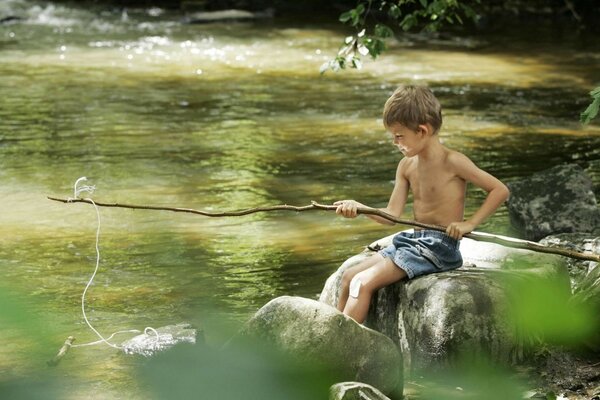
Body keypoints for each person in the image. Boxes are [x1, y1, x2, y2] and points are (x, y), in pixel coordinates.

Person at [334, 84, 510, 324]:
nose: (395, 142)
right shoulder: (407, 166)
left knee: (361, 283)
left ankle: (341, 349)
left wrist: (469, 223)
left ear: (422, 131)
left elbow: (499, 190)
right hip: (413, 242)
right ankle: (329, 335)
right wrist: (360, 208)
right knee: (348, 277)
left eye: (399, 136)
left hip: (439, 247)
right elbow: (391, 216)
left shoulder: (453, 162)